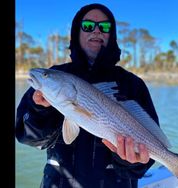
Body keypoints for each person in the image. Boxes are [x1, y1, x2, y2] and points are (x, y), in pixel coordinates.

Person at [15, 3, 160, 188]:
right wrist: (38, 110)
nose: (97, 31)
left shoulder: (133, 84)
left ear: (112, 35)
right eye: (88, 26)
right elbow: (27, 137)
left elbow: (142, 165)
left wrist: (131, 160)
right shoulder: (55, 77)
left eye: (105, 27)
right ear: (77, 32)